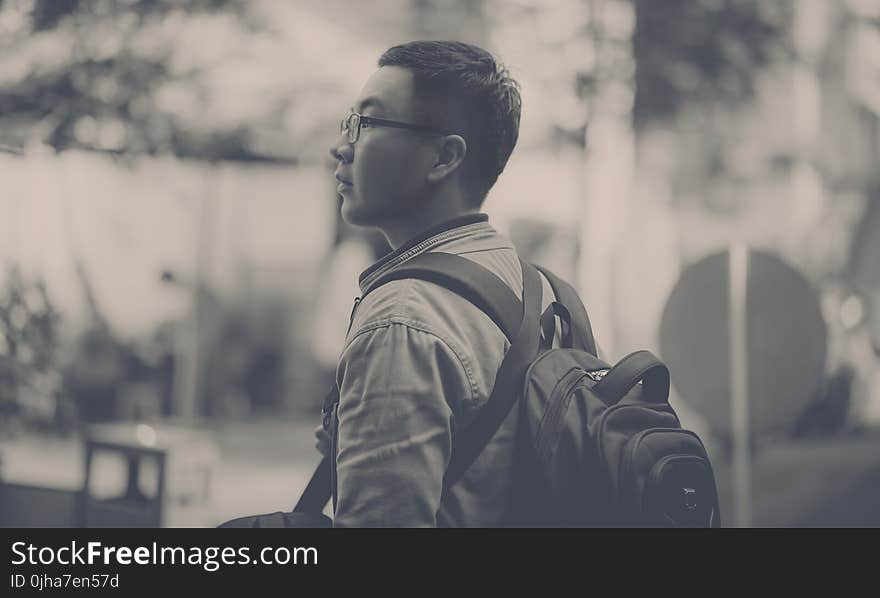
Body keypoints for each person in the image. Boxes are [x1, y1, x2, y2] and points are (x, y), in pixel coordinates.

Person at [323, 41, 571, 527]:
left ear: (443, 158)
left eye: (367, 123)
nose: (341, 146)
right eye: (348, 122)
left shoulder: (404, 321)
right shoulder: (541, 291)